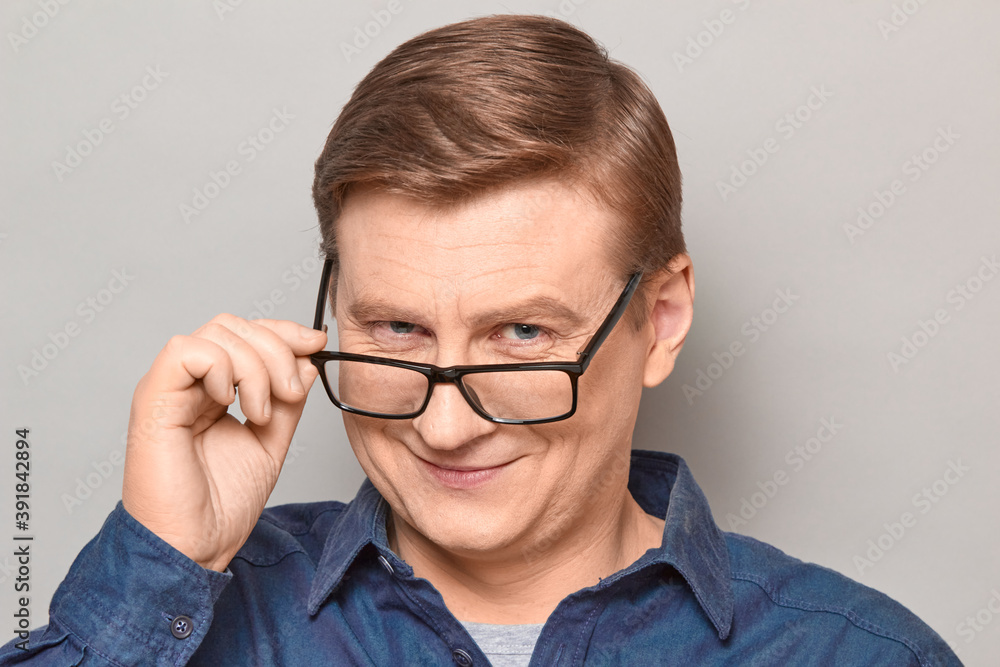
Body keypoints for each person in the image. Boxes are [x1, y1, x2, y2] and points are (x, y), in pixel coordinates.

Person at [2, 14, 960, 666]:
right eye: (396, 329)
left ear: (660, 319)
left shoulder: (858, 652)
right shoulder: (196, 616)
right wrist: (161, 557)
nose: (448, 427)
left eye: (522, 333)